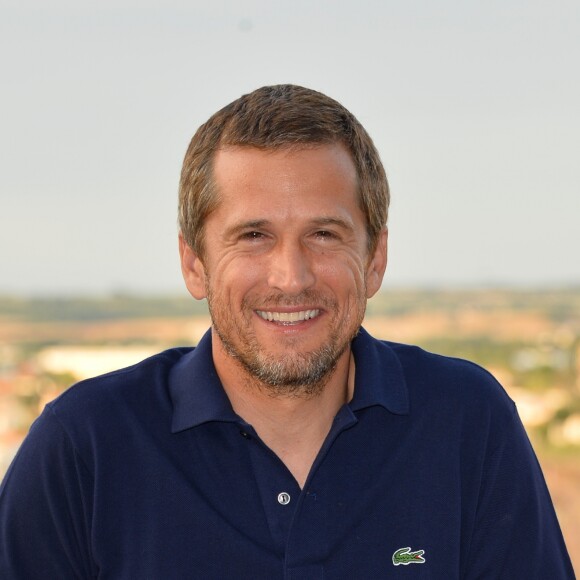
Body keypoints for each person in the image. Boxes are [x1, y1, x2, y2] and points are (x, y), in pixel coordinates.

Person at [0, 85, 574, 579]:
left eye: (324, 234)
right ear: (194, 263)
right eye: (253, 235)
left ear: (375, 258)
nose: (291, 277)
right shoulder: (85, 447)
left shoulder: (466, 422)